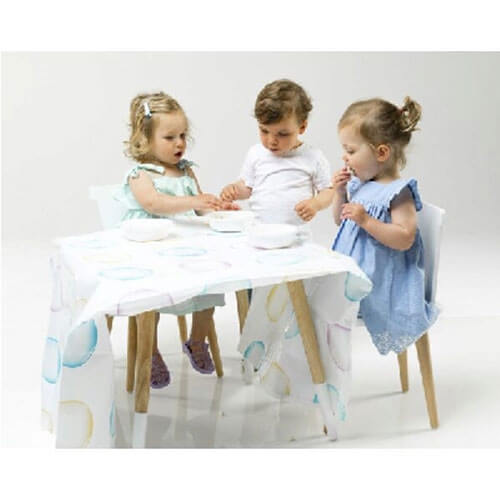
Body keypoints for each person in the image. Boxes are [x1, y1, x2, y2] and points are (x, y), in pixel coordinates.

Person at [115, 91, 230, 388]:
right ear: (145, 139)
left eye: (182, 136)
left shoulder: (186, 170)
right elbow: (154, 204)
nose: (179, 143)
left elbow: (200, 208)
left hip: (188, 250)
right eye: (169, 137)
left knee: (210, 284)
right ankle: (151, 351)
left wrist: (216, 207)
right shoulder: (141, 174)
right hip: (154, 252)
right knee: (150, 298)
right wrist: (193, 200)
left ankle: (197, 340)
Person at [332, 96, 439, 355]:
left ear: (381, 153)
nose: (345, 157)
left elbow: (404, 237)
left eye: (351, 151)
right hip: (353, 274)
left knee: (318, 301)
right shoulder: (361, 186)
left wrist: (366, 221)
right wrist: (339, 193)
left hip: (382, 282)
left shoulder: (398, 192)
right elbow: (339, 221)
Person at [220, 79, 334, 225]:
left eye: (282, 134)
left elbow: (328, 191)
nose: (271, 141)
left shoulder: (313, 156)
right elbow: (247, 187)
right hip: (259, 229)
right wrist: (234, 190)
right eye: (264, 131)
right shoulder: (256, 153)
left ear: (302, 127)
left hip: (296, 233)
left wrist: (315, 204)